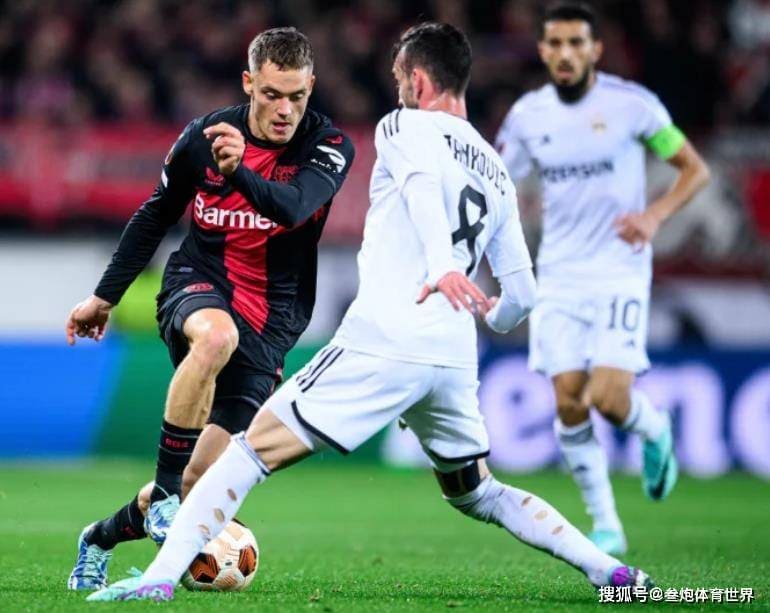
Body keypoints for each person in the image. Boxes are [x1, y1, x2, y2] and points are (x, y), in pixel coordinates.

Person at [87, 22, 654, 603]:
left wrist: (440, 266)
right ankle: (614, 575)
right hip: (452, 353)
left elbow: (420, 185)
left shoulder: (402, 124)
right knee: (478, 491)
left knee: (247, 454)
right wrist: (489, 315)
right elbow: (523, 296)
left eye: (398, 77)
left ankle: (157, 580)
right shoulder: (495, 168)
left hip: (386, 336)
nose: (396, 87)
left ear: (417, 80)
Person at [64, 27, 354, 590]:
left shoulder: (329, 145)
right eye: (272, 94)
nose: (285, 109)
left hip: (270, 322)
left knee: (201, 482)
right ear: (249, 83)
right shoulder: (203, 136)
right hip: (200, 283)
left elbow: (295, 208)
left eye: (297, 96)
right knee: (216, 337)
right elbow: (156, 213)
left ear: (311, 88)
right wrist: (103, 296)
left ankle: (99, 537)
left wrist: (238, 171)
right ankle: (165, 496)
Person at [494, 2, 710, 555]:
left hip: (618, 270)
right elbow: (497, 180)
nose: (565, 54)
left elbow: (694, 169)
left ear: (595, 49)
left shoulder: (632, 106)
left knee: (609, 399)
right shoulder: (528, 117)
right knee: (569, 402)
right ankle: (607, 523)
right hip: (558, 275)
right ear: (542, 51)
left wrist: (654, 216)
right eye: (555, 44)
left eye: (576, 43)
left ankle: (654, 428)